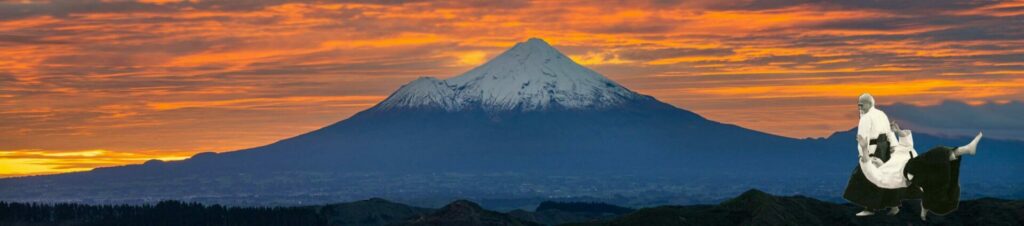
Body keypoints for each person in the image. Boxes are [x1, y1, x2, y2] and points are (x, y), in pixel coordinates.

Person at [843, 93, 984, 220]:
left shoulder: (867, 119)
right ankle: (960, 153)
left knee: (940, 175)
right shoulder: (882, 115)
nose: (859, 107)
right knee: (936, 163)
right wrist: (894, 142)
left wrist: (864, 151)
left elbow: (871, 156)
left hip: (890, 156)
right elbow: (894, 141)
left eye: (861, 104)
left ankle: (886, 207)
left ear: (868, 104)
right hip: (909, 168)